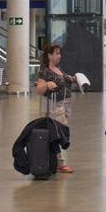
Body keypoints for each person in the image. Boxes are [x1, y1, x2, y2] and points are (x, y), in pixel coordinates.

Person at [34, 44, 77, 174]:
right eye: (57, 53)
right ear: (49, 55)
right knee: (58, 133)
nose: (59, 56)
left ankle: (56, 160)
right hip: (53, 105)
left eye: (60, 53)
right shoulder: (45, 71)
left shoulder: (59, 69)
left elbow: (63, 80)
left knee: (61, 130)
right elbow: (39, 90)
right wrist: (46, 84)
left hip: (65, 104)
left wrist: (72, 79)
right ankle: (60, 162)